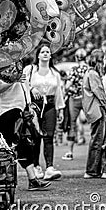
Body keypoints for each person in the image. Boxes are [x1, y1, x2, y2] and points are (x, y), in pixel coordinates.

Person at [0, 73, 52, 190]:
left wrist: (28, 105)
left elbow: (24, 86)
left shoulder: (17, 66)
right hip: (4, 112)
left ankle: (32, 180)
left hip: (19, 111)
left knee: (25, 143)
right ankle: (2, 179)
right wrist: (13, 80)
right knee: (6, 147)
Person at [24, 42, 65, 181]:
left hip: (50, 104)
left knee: (49, 135)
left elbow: (59, 91)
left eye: (48, 52)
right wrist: (31, 89)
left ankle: (50, 167)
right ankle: (36, 166)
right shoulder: (30, 70)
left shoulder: (55, 73)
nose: (46, 54)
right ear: (38, 55)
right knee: (35, 136)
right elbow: (22, 84)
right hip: (35, 105)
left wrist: (61, 110)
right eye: (43, 52)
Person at [82, 49, 106, 179]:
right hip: (97, 109)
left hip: (92, 109)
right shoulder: (93, 74)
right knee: (98, 140)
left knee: (97, 139)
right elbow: (99, 92)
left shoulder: (88, 73)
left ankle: (96, 169)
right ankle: (92, 170)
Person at [62, 48, 88, 161]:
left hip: (75, 98)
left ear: (76, 58)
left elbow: (68, 85)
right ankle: (94, 151)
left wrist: (66, 92)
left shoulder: (73, 69)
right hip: (87, 98)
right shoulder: (89, 69)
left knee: (72, 124)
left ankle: (70, 152)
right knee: (94, 124)